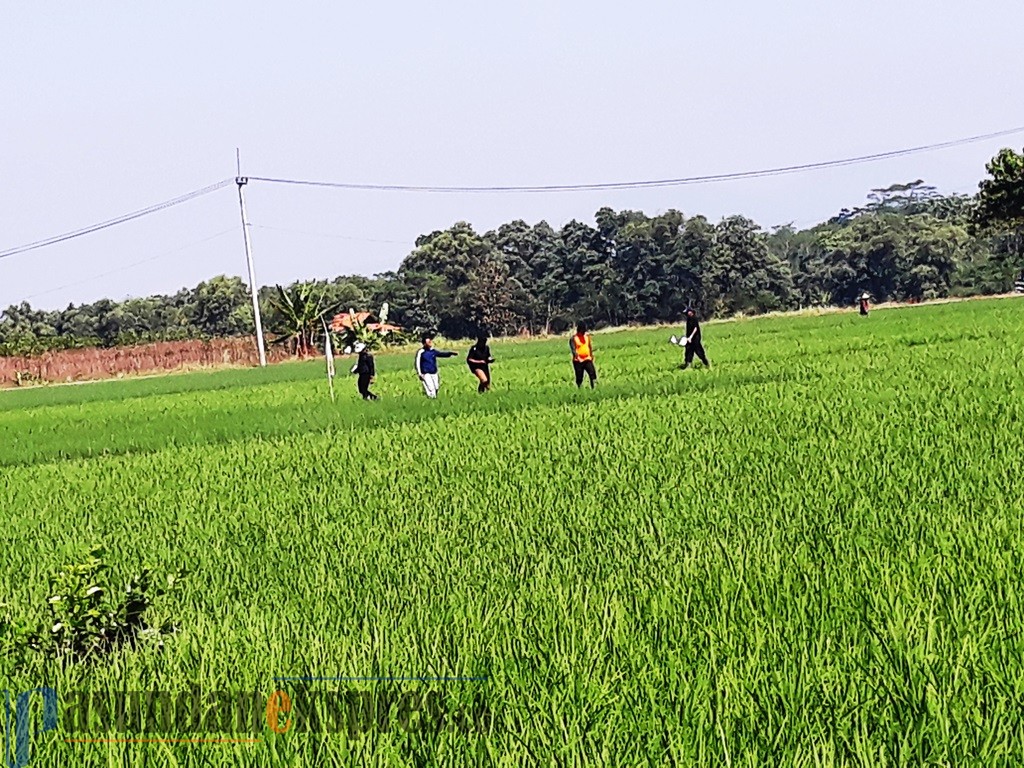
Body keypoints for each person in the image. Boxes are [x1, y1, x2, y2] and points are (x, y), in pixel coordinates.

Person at [570, 323, 597, 388]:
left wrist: (591, 355)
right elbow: (573, 350)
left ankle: (594, 388)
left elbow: (589, 347)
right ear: (579, 330)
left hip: (587, 359)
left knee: (592, 373)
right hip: (578, 361)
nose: (583, 332)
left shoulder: (587, 337)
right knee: (579, 377)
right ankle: (579, 389)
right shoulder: (573, 338)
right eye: (582, 330)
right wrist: (578, 357)